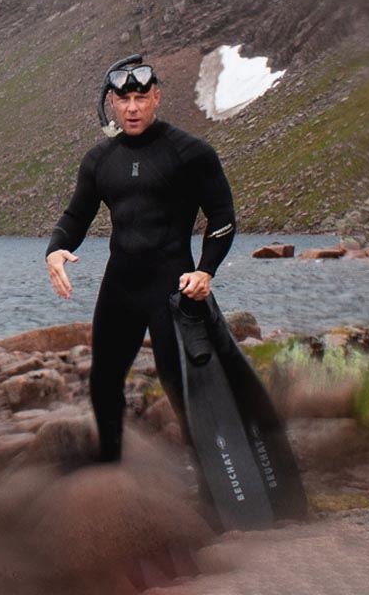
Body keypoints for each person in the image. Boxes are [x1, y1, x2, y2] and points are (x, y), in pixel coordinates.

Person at [45, 58, 236, 463]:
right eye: (123, 99)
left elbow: (222, 217)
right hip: (122, 286)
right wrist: (56, 249)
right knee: (103, 381)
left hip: (175, 288)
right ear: (111, 103)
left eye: (141, 98)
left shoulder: (190, 152)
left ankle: (212, 480)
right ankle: (112, 472)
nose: (132, 108)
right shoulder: (99, 160)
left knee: (181, 385)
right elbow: (76, 216)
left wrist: (206, 270)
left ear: (157, 98)